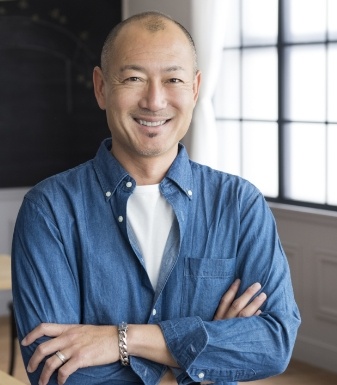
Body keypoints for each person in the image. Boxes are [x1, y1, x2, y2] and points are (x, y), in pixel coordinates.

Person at [11, 11, 300, 385]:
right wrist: (197, 358)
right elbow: (54, 371)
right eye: (133, 78)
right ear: (101, 88)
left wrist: (122, 341)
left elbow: (274, 343)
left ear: (195, 89)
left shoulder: (240, 204)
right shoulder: (49, 209)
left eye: (173, 79)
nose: (154, 100)